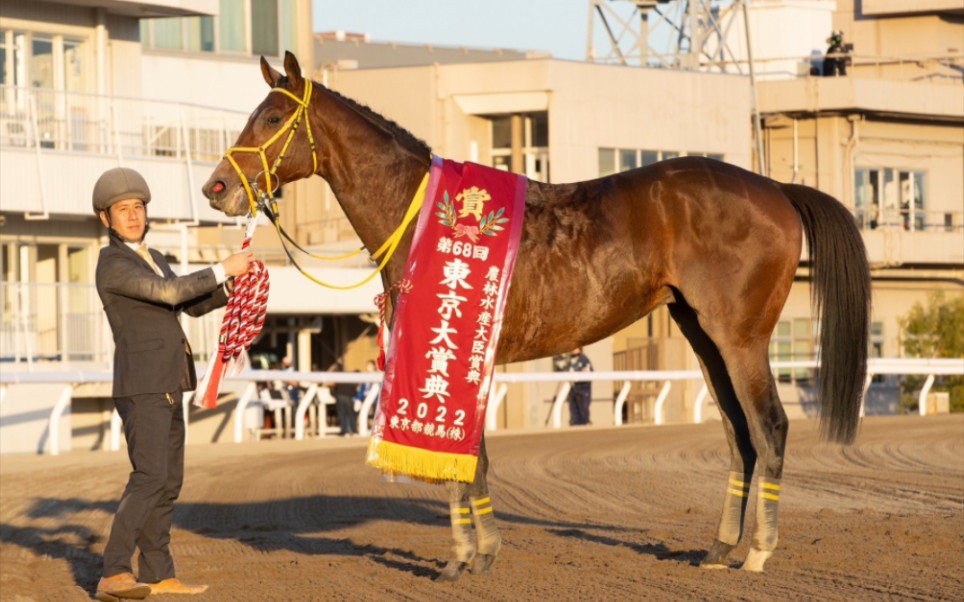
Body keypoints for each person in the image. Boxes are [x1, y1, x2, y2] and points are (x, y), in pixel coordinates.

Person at [92, 167, 252, 601]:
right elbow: (168, 294)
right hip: (141, 387)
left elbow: (188, 301)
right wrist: (222, 267)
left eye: (138, 207)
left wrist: (232, 284)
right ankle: (114, 571)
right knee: (148, 478)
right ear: (106, 219)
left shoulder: (154, 257)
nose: (133, 215)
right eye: (123, 210)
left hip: (168, 383)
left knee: (168, 482)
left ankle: (159, 573)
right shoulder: (112, 264)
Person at [330, 361, 358, 436]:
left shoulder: (336, 374)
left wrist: (334, 394)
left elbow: (333, 385)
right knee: (351, 414)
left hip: (341, 395)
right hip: (349, 395)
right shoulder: (347, 374)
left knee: (342, 414)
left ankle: (344, 431)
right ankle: (353, 430)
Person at [567, 347, 593, 426]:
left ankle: (584, 424)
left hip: (582, 389)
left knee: (583, 409)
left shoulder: (584, 360)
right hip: (573, 389)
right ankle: (575, 424)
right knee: (574, 410)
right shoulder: (570, 360)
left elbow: (588, 372)